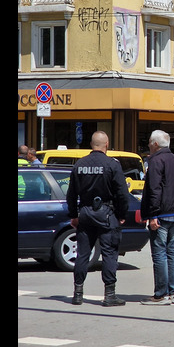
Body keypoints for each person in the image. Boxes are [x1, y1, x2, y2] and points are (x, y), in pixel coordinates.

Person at [66, 131, 133, 306]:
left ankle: (77, 293)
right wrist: (122, 215)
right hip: (107, 213)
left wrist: (73, 215)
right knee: (110, 253)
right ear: (106, 144)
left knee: (83, 254)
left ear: (91, 144)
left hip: (85, 213)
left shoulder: (79, 164)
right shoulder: (112, 164)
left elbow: (71, 194)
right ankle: (109, 295)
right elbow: (122, 194)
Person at [140, 130, 174, 305]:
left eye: (149, 144)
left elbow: (154, 189)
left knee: (159, 254)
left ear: (155, 144)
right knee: (172, 253)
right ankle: (172, 292)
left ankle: (161, 294)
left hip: (161, 213)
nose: (149, 147)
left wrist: (152, 215)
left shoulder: (155, 160)